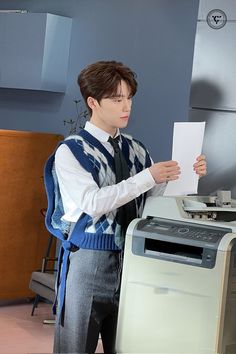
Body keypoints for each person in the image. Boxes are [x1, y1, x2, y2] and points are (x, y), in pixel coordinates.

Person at [51, 60, 206, 354]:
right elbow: (93, 202)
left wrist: (187, 174)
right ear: (93, 102)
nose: (126, 106)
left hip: (133, 259)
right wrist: (148, 176)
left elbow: (149, 198)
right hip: (89, 261)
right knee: (74, 347)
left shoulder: (135, 148)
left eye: (129, 98)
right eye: (117, 99)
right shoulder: (70, 150)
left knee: (127, 344)